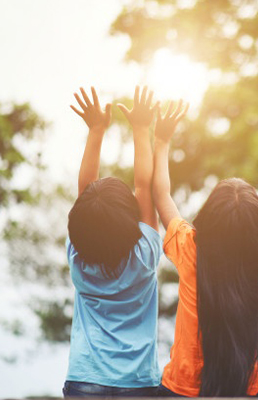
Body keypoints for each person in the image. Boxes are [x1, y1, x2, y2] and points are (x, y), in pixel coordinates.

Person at [152, 100, 258, 397]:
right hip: (245, 388)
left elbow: (162, 196)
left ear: (207, 217)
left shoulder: (190, 249)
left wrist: (161, 141)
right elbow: (257, 227)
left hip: (181, 390)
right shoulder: (257, 258)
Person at [64, 86, 161, 397]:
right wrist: (142, 128)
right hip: (137, 384)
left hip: (84, 380)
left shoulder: (79, 257)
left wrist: (96, 130)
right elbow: (145, 186)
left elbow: (85, 195)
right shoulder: (144, 256)